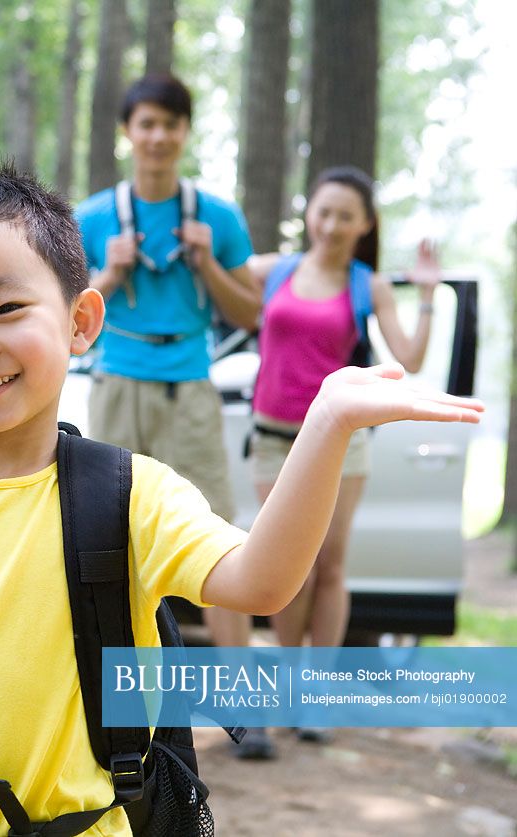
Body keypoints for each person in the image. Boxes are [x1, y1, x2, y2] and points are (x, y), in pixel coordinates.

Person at [0, 159, 481, 836]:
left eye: (4, 308)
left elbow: (262, 582)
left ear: (80, 321)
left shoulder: (130, 495)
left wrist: (325, 424)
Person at [73, 74, 273, 757]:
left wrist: (206, 262)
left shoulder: (215, 216)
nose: (157, 136)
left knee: (217, 536)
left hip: (188, 385)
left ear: (185, 132)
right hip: (117, 379)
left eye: (170, 124)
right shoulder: (92, 217)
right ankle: (118, 705)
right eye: (146, 123)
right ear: (127, 132)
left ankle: (245, 711)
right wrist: (107, 273)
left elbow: (250, 313)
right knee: (106, 538)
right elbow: (61, 317)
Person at [246, 166, 442, 742]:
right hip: (273, 439)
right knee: (289, 571)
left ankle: (317, 698)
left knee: (330, 566)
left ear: (365, 225)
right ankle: (286, 686)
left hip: (343, 440)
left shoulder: (367, 285)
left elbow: (410, 355)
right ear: (310, 213)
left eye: (345, 216)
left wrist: (427, 296)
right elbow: (217, 282)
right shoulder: (272, 271)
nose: (331, 225)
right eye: (324, 211)